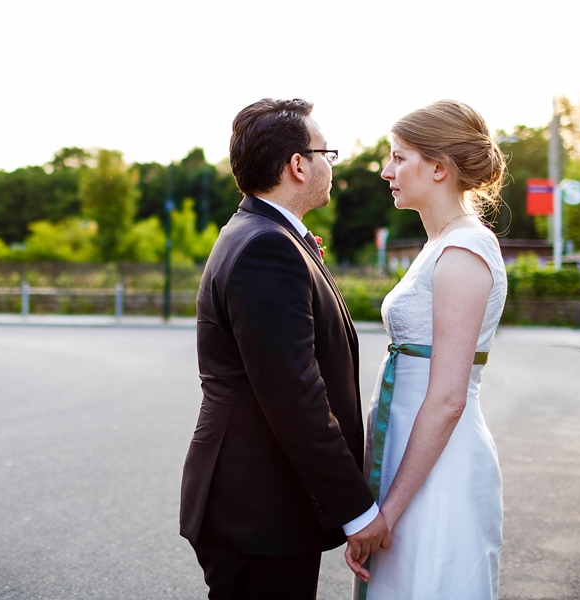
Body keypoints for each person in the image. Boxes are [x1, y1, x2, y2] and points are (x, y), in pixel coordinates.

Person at [180, 98, 389, 600]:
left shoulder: (261, 234)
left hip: (265, 502)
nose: (330, 165)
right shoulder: (265, 247)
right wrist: (357, 509)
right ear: (298, 165)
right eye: (326, 153)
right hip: (257, 506)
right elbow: (296, 397)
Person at [353, 100, 508, 600]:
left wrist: (388, 513)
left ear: (439, 167)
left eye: (399, 157)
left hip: (439, 470)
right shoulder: (440, 243)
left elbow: (447, 398)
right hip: (411, 459)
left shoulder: (463, 251)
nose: (385, 171)